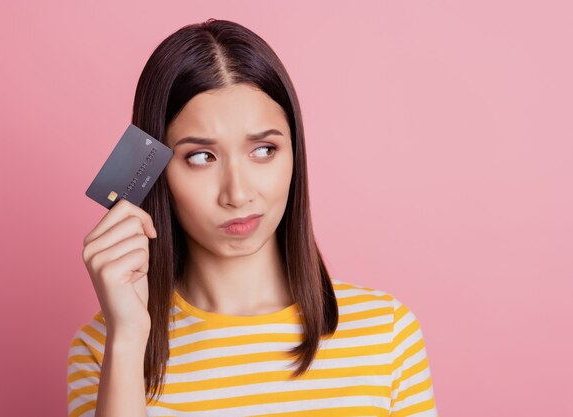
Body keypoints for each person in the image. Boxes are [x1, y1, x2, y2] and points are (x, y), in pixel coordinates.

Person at [67, 18, 438, 417]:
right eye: (201, 157)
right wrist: (128, 338)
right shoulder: (104, 347)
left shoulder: (387, 335)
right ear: (156, 169)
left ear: (295, 153)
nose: (239, 193)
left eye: (263, 150)